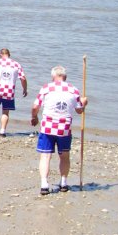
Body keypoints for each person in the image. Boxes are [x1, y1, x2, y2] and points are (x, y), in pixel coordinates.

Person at [30, 65, 89, 195]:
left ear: (53, 76)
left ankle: (44, 184)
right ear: (65, 76)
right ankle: (63, 183)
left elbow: (35, 107)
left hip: (47, 127)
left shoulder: (46, 88)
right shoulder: (73, 90)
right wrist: (84, 103)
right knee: (64, 156)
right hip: (64, 128)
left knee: (45, 156)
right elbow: (79, 110)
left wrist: (34, 117)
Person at [0, 48, 28, 136]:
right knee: (5, 112)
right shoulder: (16, 64)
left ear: (0, 54)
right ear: (9, 55)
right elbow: (23, 78)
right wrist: (25, 89)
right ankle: (2, 131)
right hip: (9, 92)